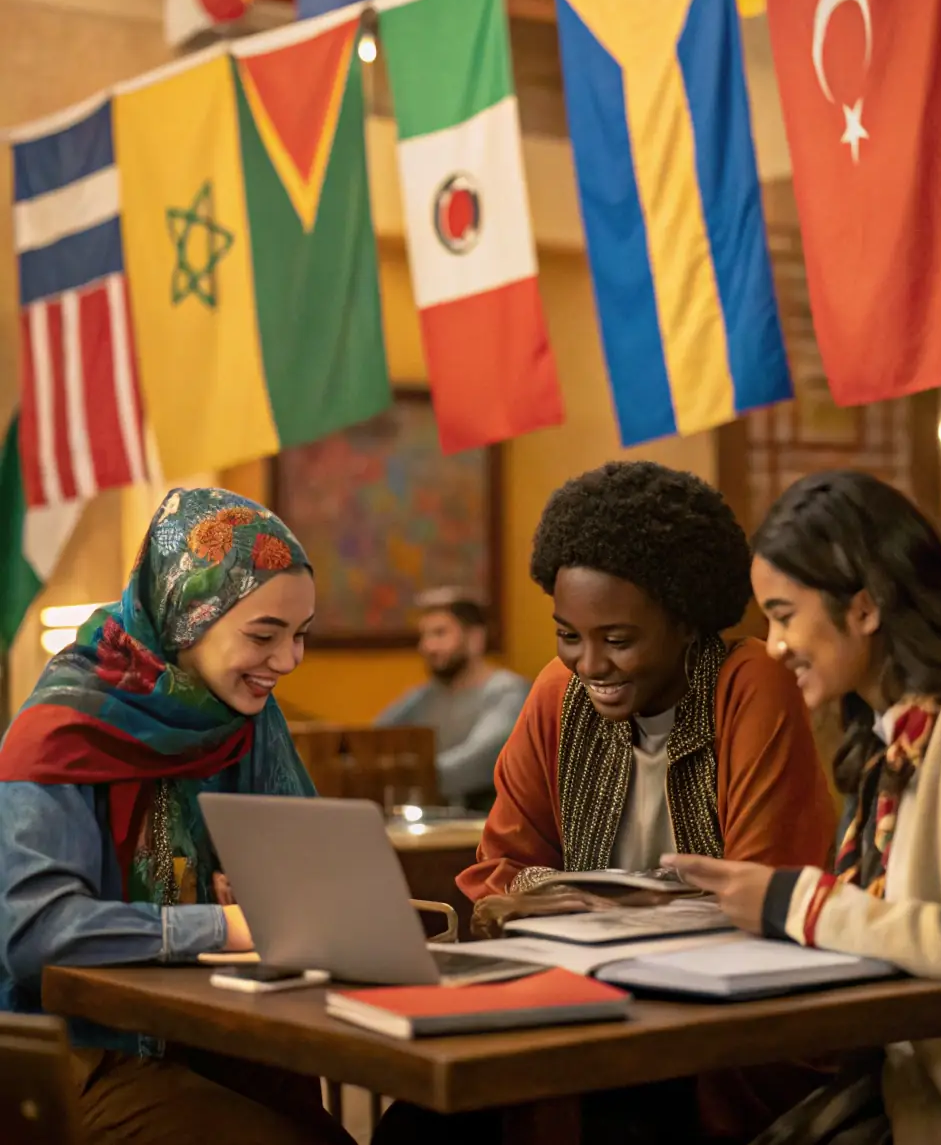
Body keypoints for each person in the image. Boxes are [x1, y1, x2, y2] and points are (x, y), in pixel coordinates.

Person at [376, 462, 837, 1145]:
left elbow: (766, 889)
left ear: (684, 621)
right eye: (569, 635)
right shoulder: (556, 694)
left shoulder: (749, 685)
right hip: (570, 1011)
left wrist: (581, 905)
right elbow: (499, 870)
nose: (589, 664)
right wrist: (557, 904)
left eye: (618, 639)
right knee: (416, 1128)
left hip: (716, 1041)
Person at [662, 469, 941, 1145]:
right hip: (900, 1097)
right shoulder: (888, 736)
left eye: (783, 615)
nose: (773, 646)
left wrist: (798, 905)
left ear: (864, 607)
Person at [0, 486, 353, 1145]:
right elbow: (35, 931)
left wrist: (274, 896)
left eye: (300, 635)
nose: (288, 661)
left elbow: (313, 888)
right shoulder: (63, 727)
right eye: (264, 634)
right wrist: (224, 924)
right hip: (79, 1058)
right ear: (188, 613)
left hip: (222, 1036)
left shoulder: (244, 719)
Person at [376, 591, 528, 810]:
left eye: (439, 634)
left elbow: (477, 761)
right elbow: (374, 738)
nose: (428, 647)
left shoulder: (508, 693)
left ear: (476, 639)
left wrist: (401, 778)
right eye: (424, 636)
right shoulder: (423, 697)